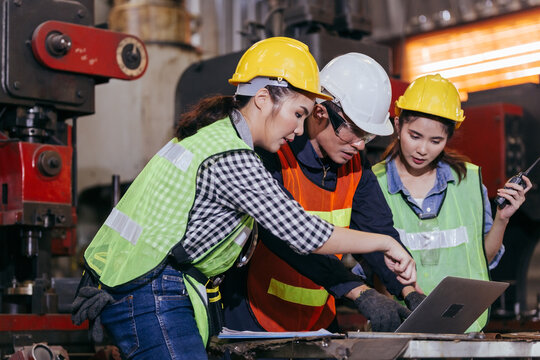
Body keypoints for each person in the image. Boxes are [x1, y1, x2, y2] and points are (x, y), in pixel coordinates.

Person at [71, 37, 417, 360]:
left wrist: (104, 276)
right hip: (152, 289)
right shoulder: (232, 156)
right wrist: (384, 244)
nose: (298, 129)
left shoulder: (214, 138)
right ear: (264, 99)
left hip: (142, 284)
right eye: (297, 114)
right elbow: (304, 233)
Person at [221, 53, 425, 335]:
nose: (359, 145)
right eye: (353, 131)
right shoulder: (274, 154)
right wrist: (358, 291)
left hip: (319, 323)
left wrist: (407, 290)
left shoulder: (355, 168)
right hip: (256, 318)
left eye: (367, 137)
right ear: (321, 112)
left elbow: (378, 231)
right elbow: (290, 238)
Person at [372, 73, 532, 332]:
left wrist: (503, 218)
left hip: (461, 329)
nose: (423, 149)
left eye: (436, 141)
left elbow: (482, 259)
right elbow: (370, 269)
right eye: (415, 136)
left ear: (448, 138)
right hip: (399, 330)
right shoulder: (373, 184)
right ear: (398, 124)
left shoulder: (467, 182)